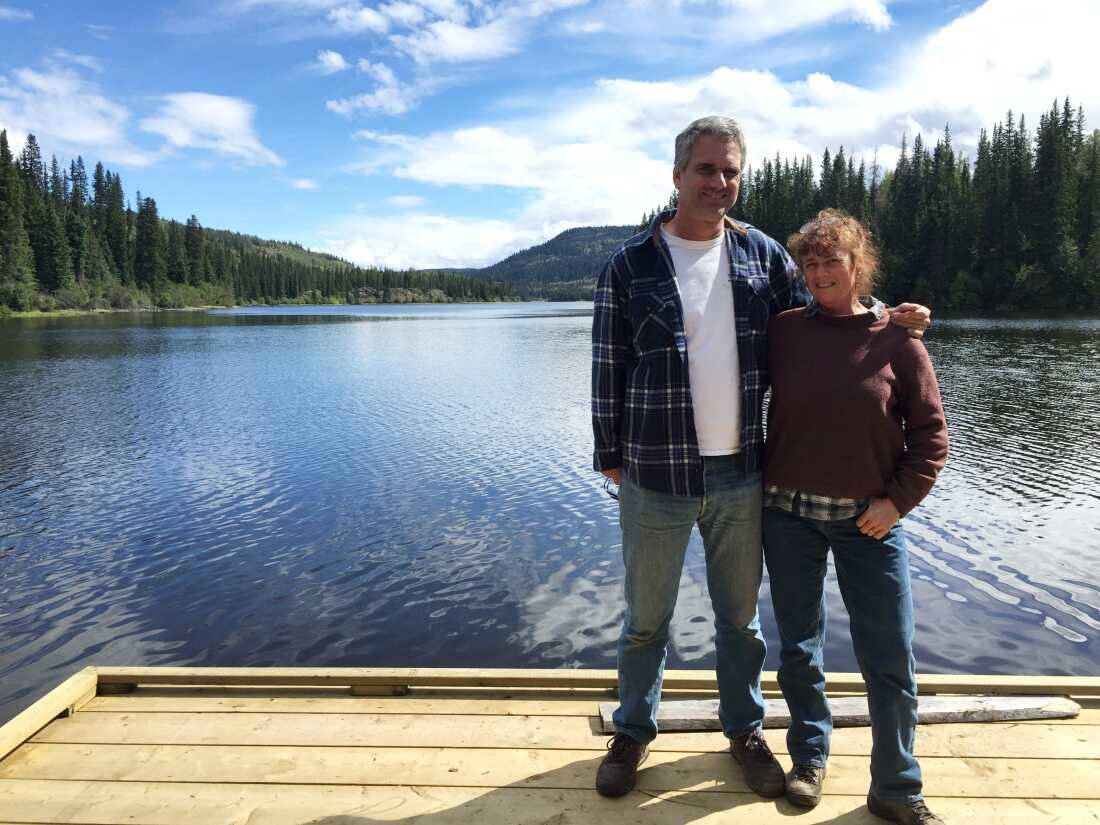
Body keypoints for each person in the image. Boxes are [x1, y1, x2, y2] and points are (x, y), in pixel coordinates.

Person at [590, 116, 930, 800]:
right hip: (655, 473)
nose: (720, 182)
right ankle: (632, 729)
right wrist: (611, 457)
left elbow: (829, 315)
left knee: (739, 621)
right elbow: (607, 364)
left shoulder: (764, 256)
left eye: (731, 171)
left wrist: (890, 317)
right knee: (645, 619)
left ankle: (744, 728)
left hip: (744, 472)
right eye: (707, 169)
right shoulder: (629, 265)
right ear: (678, 174)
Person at [762, 209, 948, 824]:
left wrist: (897, 502)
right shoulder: (784, 331)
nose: (819, 273)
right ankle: (809, 758)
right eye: (809, 264)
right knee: (798, 649)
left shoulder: (899, 339)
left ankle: (895, 786)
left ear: (857, 265)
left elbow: (930, 434)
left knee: (890, 657)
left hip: (872, 522)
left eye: (830, 262)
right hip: (788, 516)